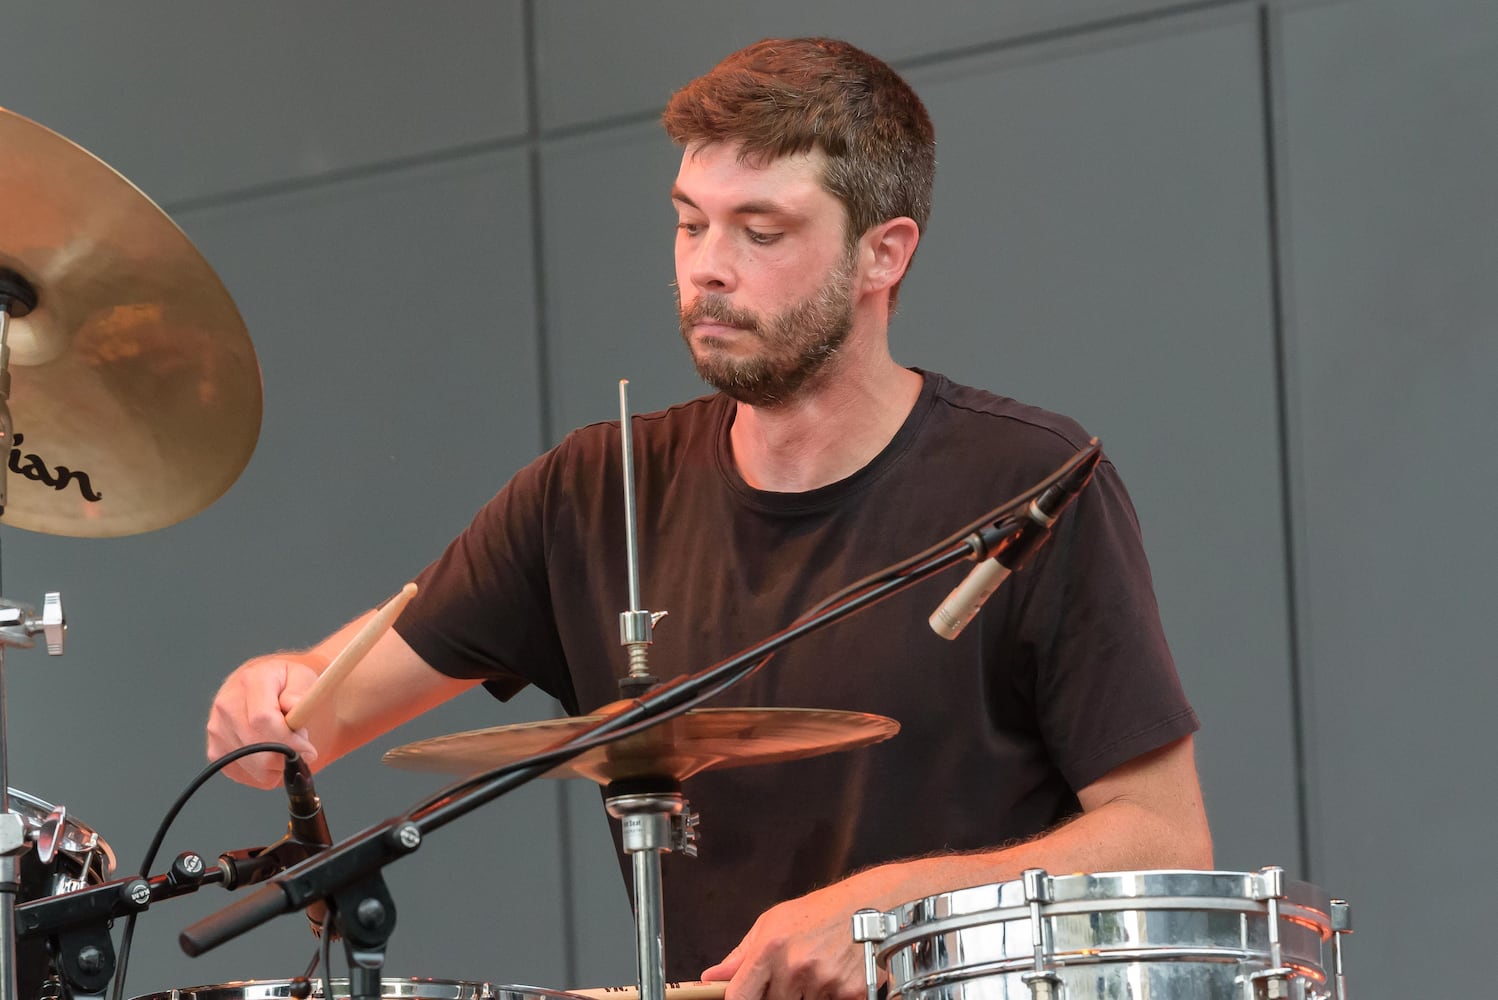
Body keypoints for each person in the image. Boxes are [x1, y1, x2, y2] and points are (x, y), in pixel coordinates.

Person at [206, 37, 1212, 1000]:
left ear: (881, 254)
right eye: (690, 223)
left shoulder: (1027, 484)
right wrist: (271, 702)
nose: (706, 268)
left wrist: (892, 909)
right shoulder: (596, 489)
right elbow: (318, 712)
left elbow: (1162, 839)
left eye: (759, 232)